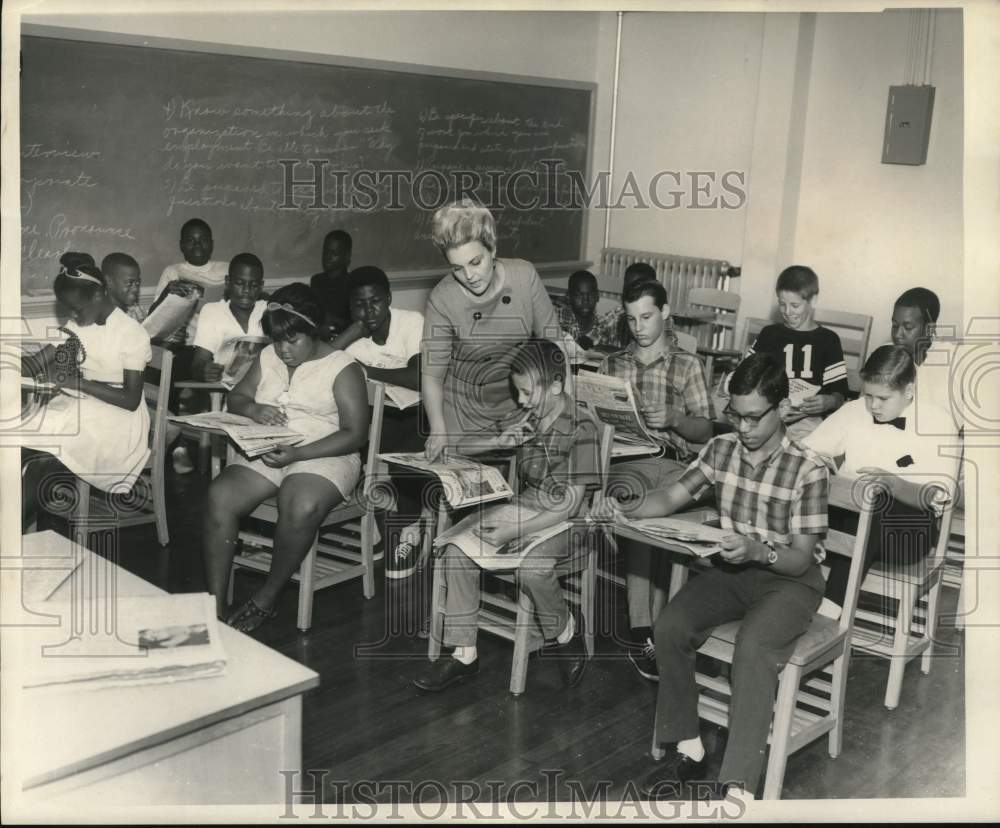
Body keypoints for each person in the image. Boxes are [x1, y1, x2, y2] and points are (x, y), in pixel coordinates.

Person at [599, 353, 830, 799]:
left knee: (754, 648)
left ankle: (738, 787)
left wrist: (758, 550)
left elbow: (800, 559)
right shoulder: (722, 448)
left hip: (789, 581)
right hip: (733, 569)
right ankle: (690, 744)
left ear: (781, 408)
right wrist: (626, 507)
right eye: (734, 416)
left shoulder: (808, 468)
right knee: (670, 626)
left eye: (752, 418)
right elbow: (669, 497)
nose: (742, 428)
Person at [411, 339, 600, 692]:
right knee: (455, 551)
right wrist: (501, 440)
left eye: (528, 392)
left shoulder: (582, 427)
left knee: (532, 568)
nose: (522, 400)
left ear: (557, 385)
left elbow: (570, 506)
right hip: (527, 505)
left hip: (570, 521)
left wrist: (514, 531)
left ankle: (565, 630)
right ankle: (464, 654)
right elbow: (459, 445)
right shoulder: (528, 418)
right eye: (518, 392)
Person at [202, 283, 368, 630]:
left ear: (315, 331)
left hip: (327, 453)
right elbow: (237, 399)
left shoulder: (343, 367)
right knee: (220, 496)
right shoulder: (268, 357)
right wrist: (255, 408)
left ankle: (267, 596)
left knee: (300, 503)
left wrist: (300, 453)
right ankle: (215, 607)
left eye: (293, 341)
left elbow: (355, 433)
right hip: (271, 448)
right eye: (277, 340)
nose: (283, 349)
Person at [599, 279, 714, 681]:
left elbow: (706, 432)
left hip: (672, 462)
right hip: (624, 463)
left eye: (646, 316)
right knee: (634, 504)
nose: (639, 326)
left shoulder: (687, 365)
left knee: (652, 509)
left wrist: (675, 419)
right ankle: (644, 630)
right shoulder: (614, 364)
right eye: (631, 319)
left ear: (665, 313)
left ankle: (655, 628)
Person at [803, 345, 959, 619]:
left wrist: (892, 483)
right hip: (848, 519)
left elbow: (936, 497)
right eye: (868, 396)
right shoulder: (855, 411)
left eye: (883, 398)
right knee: (814, 487)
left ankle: (831, 607)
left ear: (909, 391)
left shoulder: (938, 422)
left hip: (907, 532)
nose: (873, 405)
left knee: (874, 499)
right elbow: (808, 450)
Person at [420, 199, 566, 461]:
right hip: (463, 411)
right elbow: (432, 376)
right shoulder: (442, 298)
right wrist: (438, 429)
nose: (469, 275)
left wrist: (565, 410)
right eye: (457, 268)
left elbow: (555, 345)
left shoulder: (524, 276)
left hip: (520, 402)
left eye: (475, 262)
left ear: (493, 248)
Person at [21, 253, 152, 528]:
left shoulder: (132, 334)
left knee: (42, 461)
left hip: (118, 421)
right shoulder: (80, 323)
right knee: (17, 446)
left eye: (75, 309)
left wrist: (74, 383)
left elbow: (130, 400)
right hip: (83, 406)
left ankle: (11, 532)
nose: (71, 315)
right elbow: (35, 364)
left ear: (97, 296)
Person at [331, 265, 428, 572]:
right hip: (375, 421)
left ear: (388, 298)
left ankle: (411, 527)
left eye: (375, 301)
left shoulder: (411, 322)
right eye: (358, 305)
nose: (368, 311)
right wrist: (346, 337)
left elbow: (417, 376)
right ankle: (373, 517)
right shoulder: (355, 338)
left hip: (418, 417)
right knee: (348, 429)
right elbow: (317, 372)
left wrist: (365, 372)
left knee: (407, 434)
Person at [151, 217, 229, 471]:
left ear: (212, 243)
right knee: (166, 368)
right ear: (182, 245)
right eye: (191, 240)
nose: (197, 245)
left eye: (203, 239)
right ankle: (176, 442)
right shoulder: (172, 271)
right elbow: (157, 314)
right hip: (188, 346)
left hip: (222, 344)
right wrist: (171, 293)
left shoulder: (226, 269)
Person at [747, 265, 848, 440]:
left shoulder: (828, 340)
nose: (787, 312)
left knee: (807, 450)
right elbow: (747, 376)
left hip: (806, 420)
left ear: (813, 301)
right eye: (782, 304)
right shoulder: (769, 334)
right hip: (766, 414)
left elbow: (840, 394)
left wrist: (828, 402)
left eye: (795, 305)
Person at [190, 253, 268, 382]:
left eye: (253, 285)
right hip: (222, 392)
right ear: (227, 282)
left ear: (261, 286)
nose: (246, 290)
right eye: (239, 283)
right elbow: (199, 362)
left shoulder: (267, 310)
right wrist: (204, 371)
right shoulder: (213, 312)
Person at [557, 269, 619, 352]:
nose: (585, 300)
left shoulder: (604, 327)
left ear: (597, 296)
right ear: (569, 296)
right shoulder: (557, 319)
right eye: (579, 295)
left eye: (590, 294)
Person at [310, 229, 353, 335]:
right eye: (326, 252)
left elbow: (354, 322)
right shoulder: (317, 281)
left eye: (334, 253)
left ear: (347, 256)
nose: (327, 257)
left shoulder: (352, 283)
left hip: (344, 337)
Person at [101, 252, 146, 323]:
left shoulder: (134, 312)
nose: (135, 289)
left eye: (137, 283)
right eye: (129, 283)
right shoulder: (99, 317)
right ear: (109, 281)